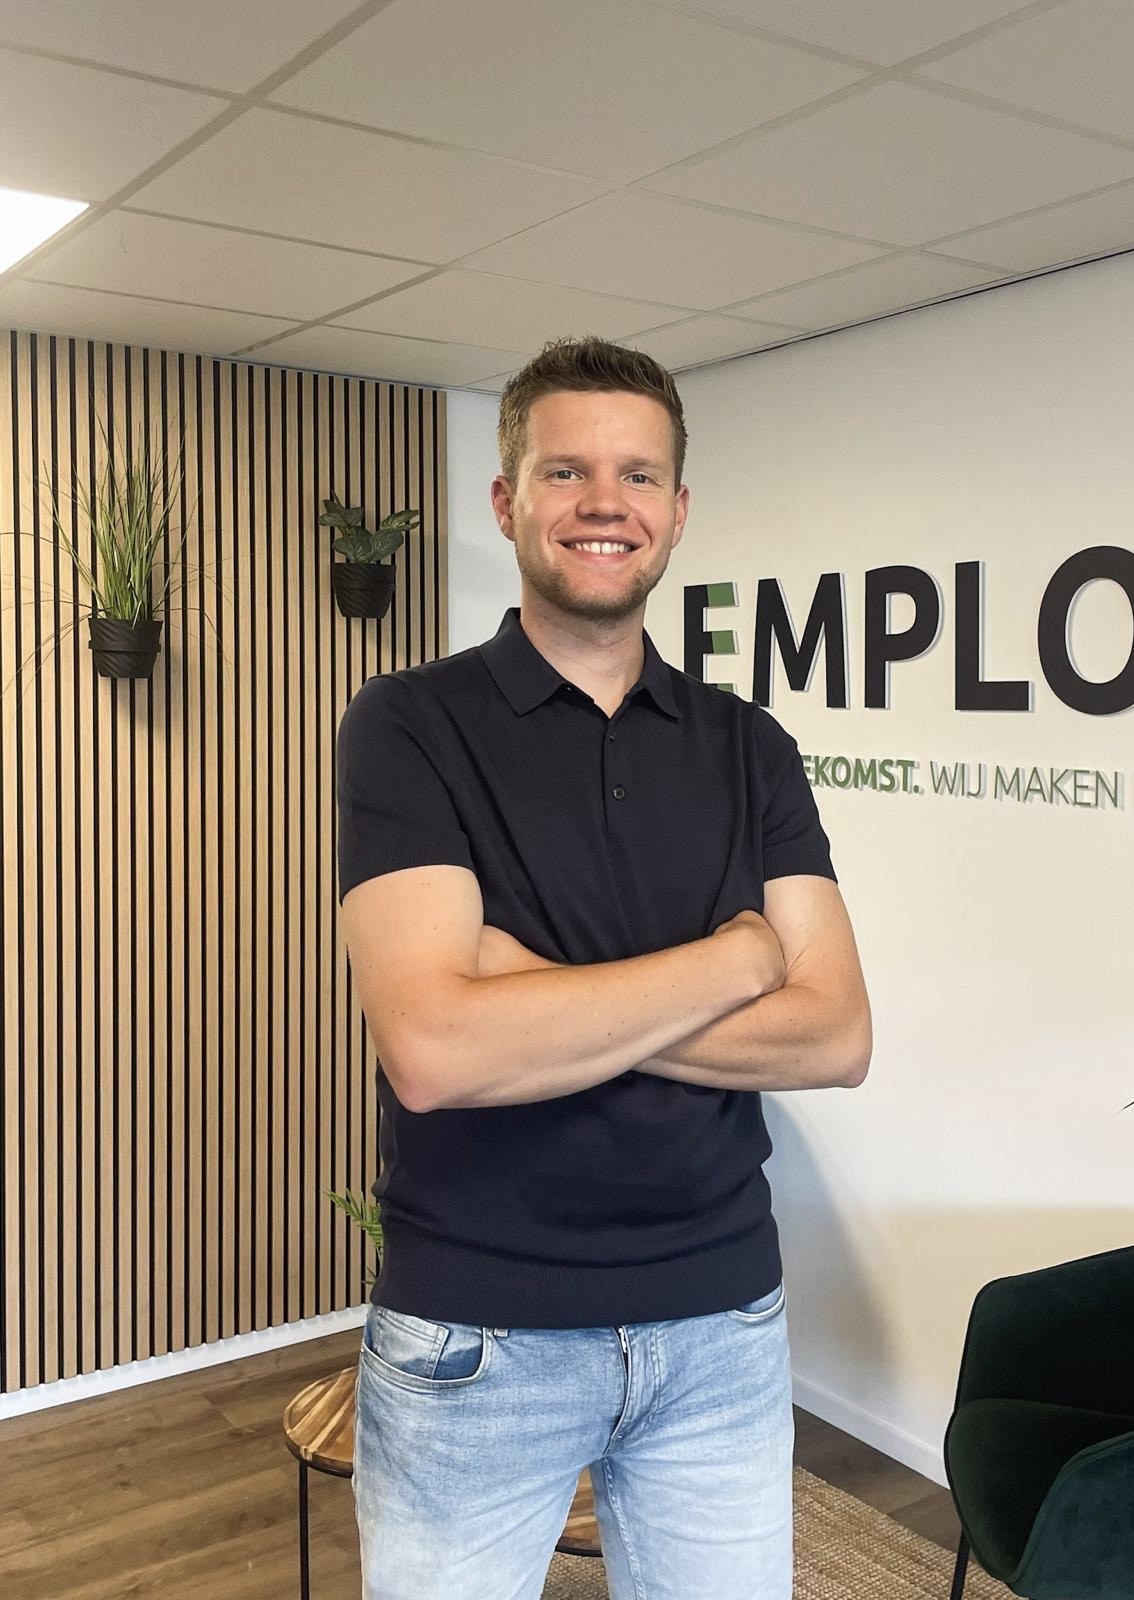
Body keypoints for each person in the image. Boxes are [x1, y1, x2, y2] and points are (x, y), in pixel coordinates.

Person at [334, 334, 872, 1599]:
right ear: (507, 500)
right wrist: (737, 958)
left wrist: (531, 983)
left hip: (723, 1327)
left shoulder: (751, 746)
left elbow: (836, 1036)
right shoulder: (409, 725)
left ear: (677, 511)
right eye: (565, 470)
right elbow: (435, 1052)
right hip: (478, 1335)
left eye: (637, 475)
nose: (602, 503)